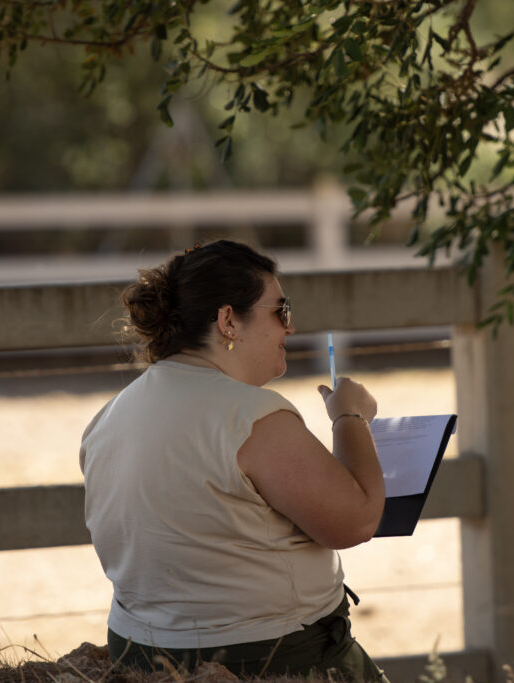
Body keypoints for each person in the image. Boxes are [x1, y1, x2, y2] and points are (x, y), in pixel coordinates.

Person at [79, 239, 389, 681]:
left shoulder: (109, 416)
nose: (290, 328)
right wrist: (350, 417)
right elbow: (355, 522)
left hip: (139, 657)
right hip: (268, 660)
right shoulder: (253, 416)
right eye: (281, 311)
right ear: (228, 321)